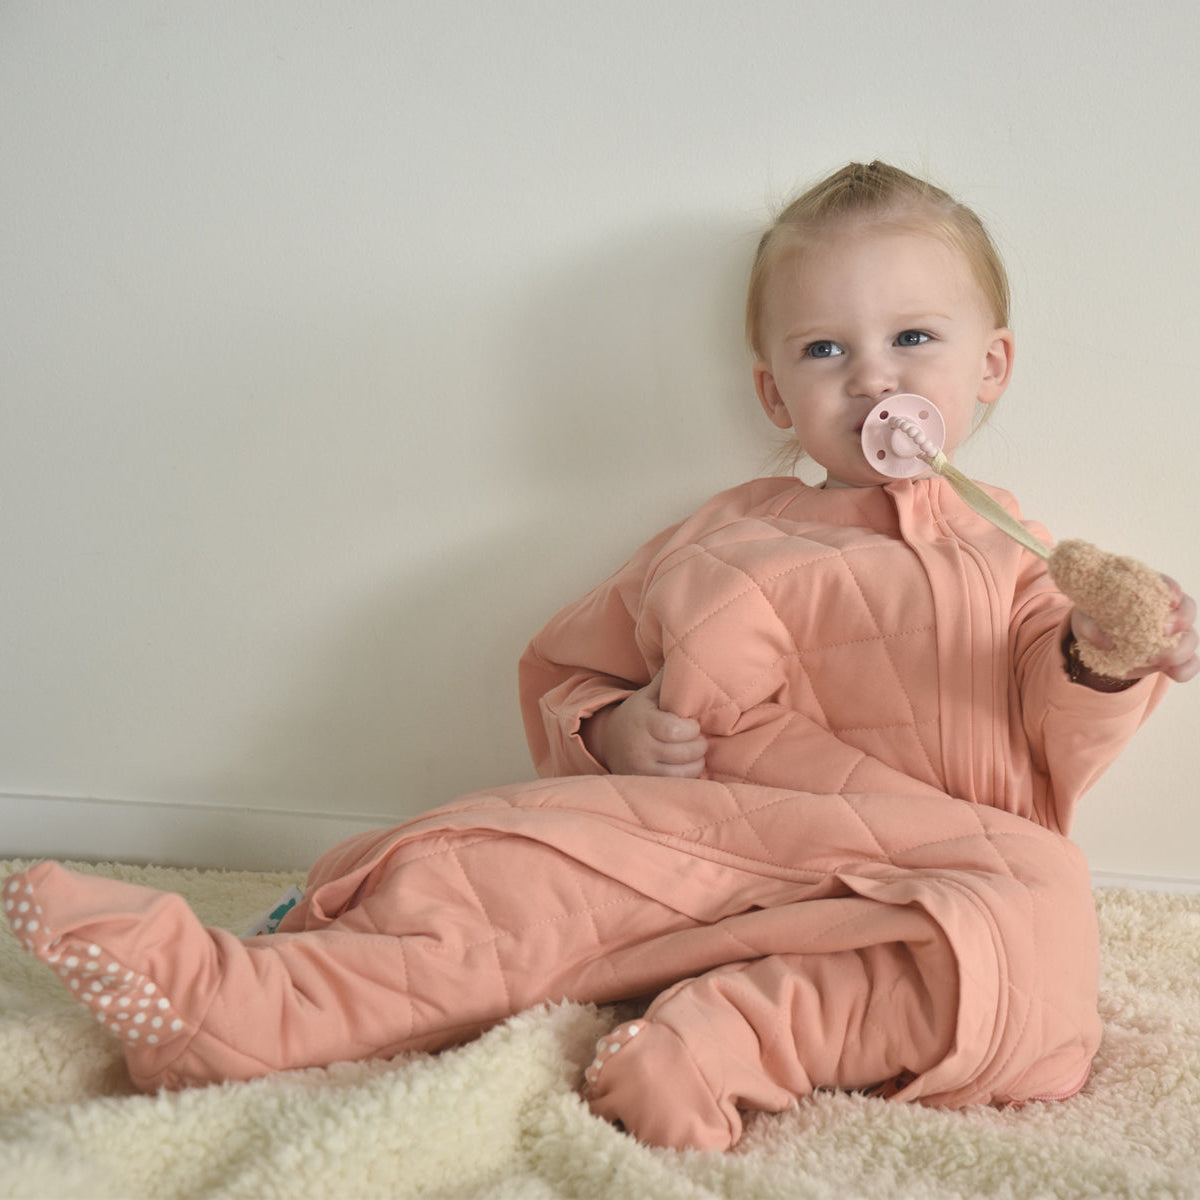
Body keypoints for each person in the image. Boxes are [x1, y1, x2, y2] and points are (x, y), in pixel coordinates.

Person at [6, 162, 1197, 1152]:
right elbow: (571, 669)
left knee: (1046, 922)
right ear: (773, 392)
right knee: (507, 881)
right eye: (827, 350)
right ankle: (237, 1006)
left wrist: (1106, 653)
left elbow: (1059, 738)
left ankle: (725, 1037)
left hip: (925, 882)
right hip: (718, 850)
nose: (876, 377)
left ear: (987, 370)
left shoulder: (1018, 560)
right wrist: (612, 730)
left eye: (914, 338)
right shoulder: (724, 541)